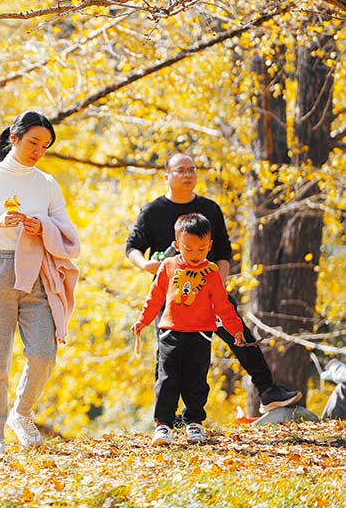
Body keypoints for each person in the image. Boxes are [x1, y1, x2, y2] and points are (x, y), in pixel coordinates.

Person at [126, 153, 301, 414]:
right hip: (171, 294)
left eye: (192, 170)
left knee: (239, 333)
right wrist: (146, 265)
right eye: (181, 170)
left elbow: (223, 252)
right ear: (167, 176)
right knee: (167, 353)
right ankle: (165, 418)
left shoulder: (210, 209)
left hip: (208, 287)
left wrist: (216, 285)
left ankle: (267, 390)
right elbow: (133, 247)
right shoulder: (153, 211)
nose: (188, 175)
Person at [0, 111, 80, 458]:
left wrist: (43, 228)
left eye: (45, 146)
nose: (38, 150)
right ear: (14, 138)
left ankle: (21, 414)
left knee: (43, 353)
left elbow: (68, 231)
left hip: (37, 272)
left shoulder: (47, 184)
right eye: (33, 142)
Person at [132, 213, 247, 445]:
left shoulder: (212, 272)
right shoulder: (167, 266)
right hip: (170, 333)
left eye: (201, 249)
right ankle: (163, 425)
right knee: (167, 379)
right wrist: (143, 321)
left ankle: (194, 423)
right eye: (189, 249)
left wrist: (236, 328)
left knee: (196, 381)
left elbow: (223, 304)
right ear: (177, 245)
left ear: (210, 245)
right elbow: (154, 298)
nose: (195, 254)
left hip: (201, 334)